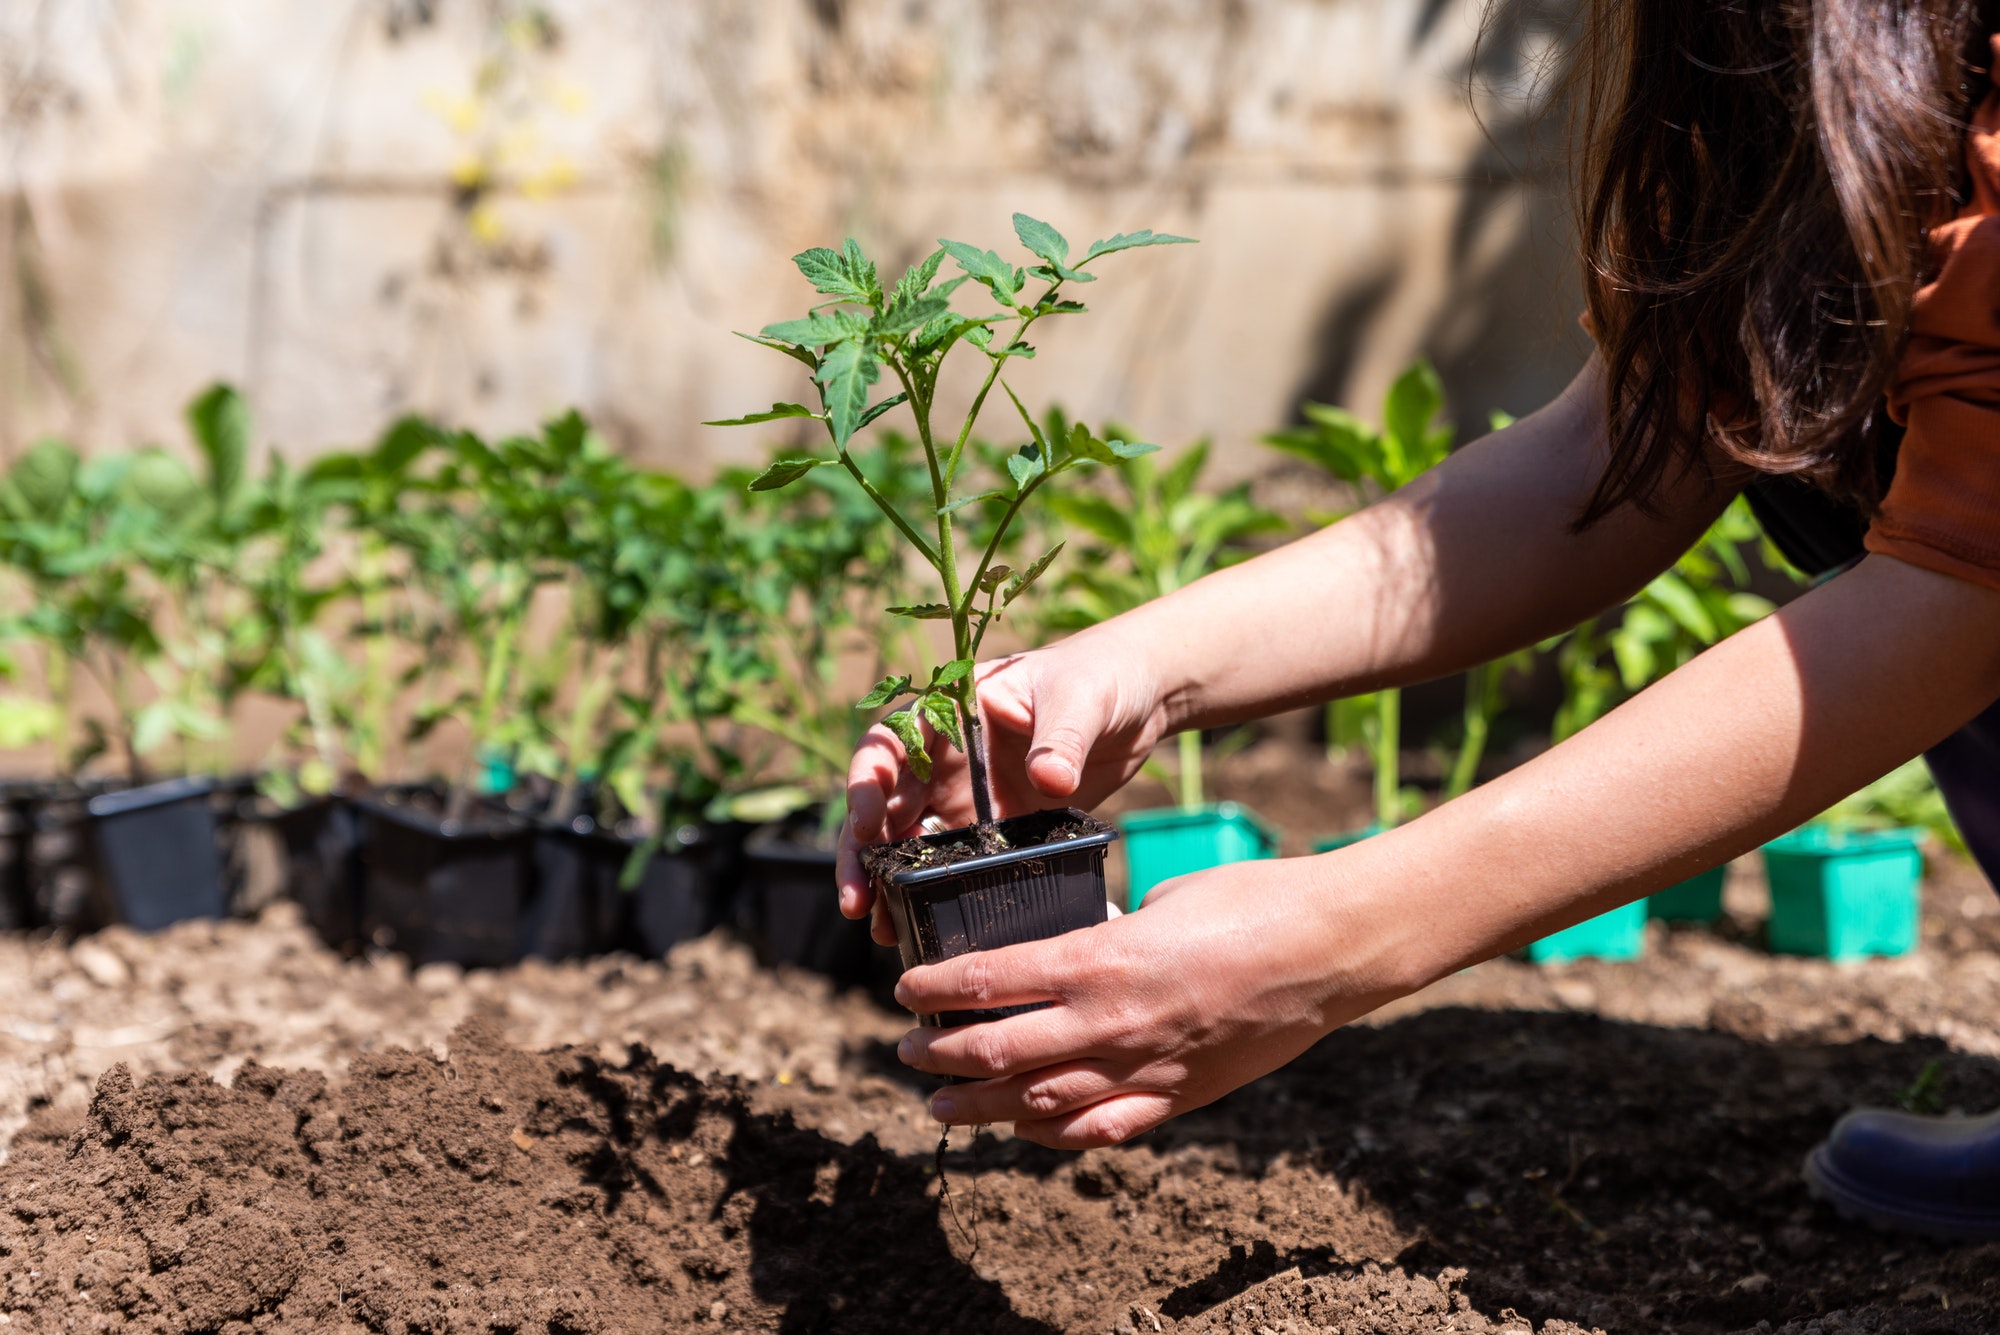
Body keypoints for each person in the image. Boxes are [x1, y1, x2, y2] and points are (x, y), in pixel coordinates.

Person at [836, 0, 2000, 1242]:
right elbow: (1615, 454)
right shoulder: (1778, 62)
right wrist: (1139, 667)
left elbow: (1961, 597)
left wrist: (1327, 942)